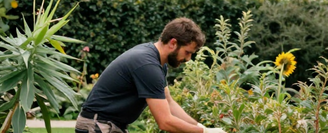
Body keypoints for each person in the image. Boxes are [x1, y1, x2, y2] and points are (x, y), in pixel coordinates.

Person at [76, 18, 226, 133]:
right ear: (173, 43)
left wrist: (201, 127)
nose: (188, 59)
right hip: (97, 125)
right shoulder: (147, 65)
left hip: (107, 125)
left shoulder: (157, 62)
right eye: (187, 52)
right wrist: (204, 132)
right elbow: (165, 122)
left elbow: (169, 102)